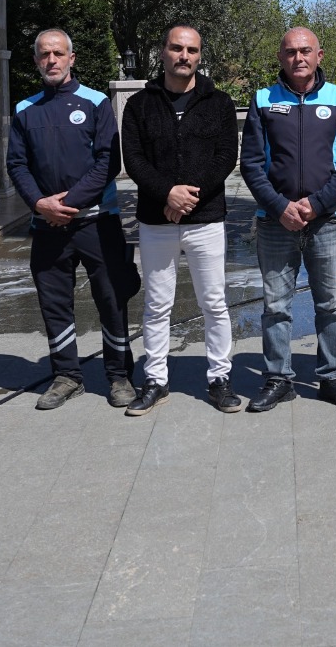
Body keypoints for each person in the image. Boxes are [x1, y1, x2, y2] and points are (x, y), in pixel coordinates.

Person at [7, 28, 141, 411]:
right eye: (44, 54)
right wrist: (40, 204)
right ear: (36, 60)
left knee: (112, 298)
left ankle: (119, 375)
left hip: (98, 222)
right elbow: (16, 163)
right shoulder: (25, 109)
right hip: (47, 225)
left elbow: (108, 162)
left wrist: (68, 203)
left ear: (71, 58)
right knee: (54, 303)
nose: (51, 60)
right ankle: (66, 375)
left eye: (58, 53)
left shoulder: (96, 103)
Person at [239, 27, 336, 412]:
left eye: (305, 51)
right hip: (275, 222)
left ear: (319, 55)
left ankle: (332, 377)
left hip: (327, 221)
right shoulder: (263, 100)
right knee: (276, 305)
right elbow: (251, 164)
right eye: (291, 52)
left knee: (331, 305)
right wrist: (280, 207)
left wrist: (318, 204)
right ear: (280, 57)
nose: (298, 58)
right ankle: (278, 379)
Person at [121, 25, 241, 416]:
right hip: (156, 223)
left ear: (199, 55)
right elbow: (134, 160)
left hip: (205, 220)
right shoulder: (139, 104)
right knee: (157, 305)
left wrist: (187, 198)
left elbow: (225, 157)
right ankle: (155, 380)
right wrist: (166, 194)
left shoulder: (219, 103)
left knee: (214, 303)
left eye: (191, 50)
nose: (184, 56)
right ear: (163, 52)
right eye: (176, 48)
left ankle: (219, 378)